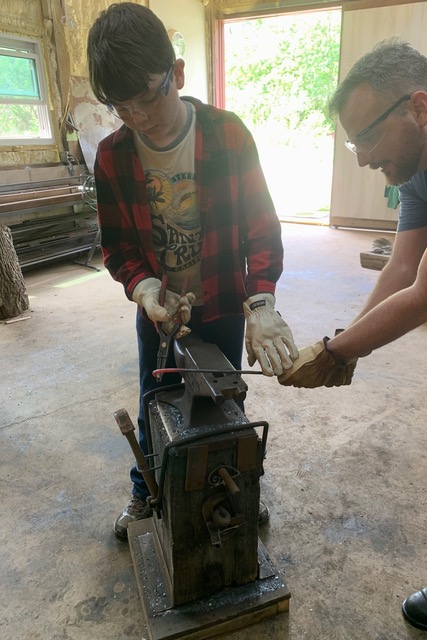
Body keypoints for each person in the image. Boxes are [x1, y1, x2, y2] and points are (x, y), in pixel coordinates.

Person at [279, 38, 427, 632]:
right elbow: (400, 269)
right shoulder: (420, 164)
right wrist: (349, 342)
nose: (362, 159)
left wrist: (336, 352)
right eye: (353, 141)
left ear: (417, 107)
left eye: (366, 137)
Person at [87, 3, 298, 540]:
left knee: (227, 398)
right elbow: (118, 247)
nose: (137, 118)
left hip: (224, 301)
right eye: (120, 107)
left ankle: (240, 483)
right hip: (161, 314)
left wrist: (262, 302)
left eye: (147, 98)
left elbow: (261, 229)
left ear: (177, 75)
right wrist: (145, 287)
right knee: (155, 398)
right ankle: (146, 490)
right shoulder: (112, 157)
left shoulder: (228, 135)